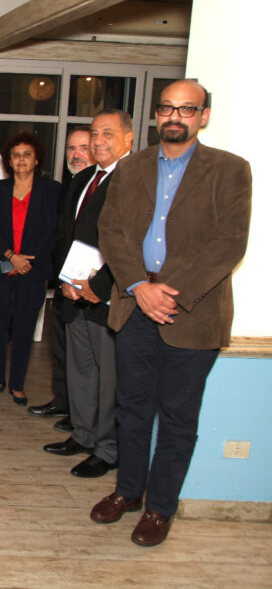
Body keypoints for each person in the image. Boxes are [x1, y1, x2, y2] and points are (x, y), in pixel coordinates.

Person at [91, 79, 251, 547]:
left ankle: (160, 508)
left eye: (186, 109)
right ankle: (128, 492)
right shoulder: (132, 167)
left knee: (178, 418)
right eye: (166, 108)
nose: (174, 116)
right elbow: (111, 231)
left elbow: (229, 243)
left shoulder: (230, 170)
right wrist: (139, 286)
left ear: (204, 116)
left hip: (192, 313)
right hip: (135, 305)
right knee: (132, 409)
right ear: (156, 115)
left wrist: (169, 293)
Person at [44, 111, 133, 478]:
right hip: (72, 291)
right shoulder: (82, 179)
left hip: (107, 296)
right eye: (94, 133)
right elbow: (64, 234)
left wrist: (98, 287)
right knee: (80, 371)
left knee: (109, 378)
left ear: (128, 138)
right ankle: (82, 435)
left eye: (107, 134)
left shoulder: (134, 179)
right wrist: (64, 280)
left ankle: (108, 449)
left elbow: (132, 244)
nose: (98, 141)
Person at [0, 133, 60, 405]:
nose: (21, 159)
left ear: (37, 160)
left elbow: (54, 231)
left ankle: (17, 384)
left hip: (33, 269)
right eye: (16, 155)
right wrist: (10, 256)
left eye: (27, 154)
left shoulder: (52, 190)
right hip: (0, 264)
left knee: (25, 327)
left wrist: (28, 261)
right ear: (9, 161)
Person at [29, 126, 94, 427]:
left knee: (86, 358)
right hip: (63, 281)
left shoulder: (105, 186)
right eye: (71, 148)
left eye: (83, 148)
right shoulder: (70, 185)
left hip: (89, 285)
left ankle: (81, 416)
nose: (76, 154)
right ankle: (64, 401)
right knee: (62, 348)